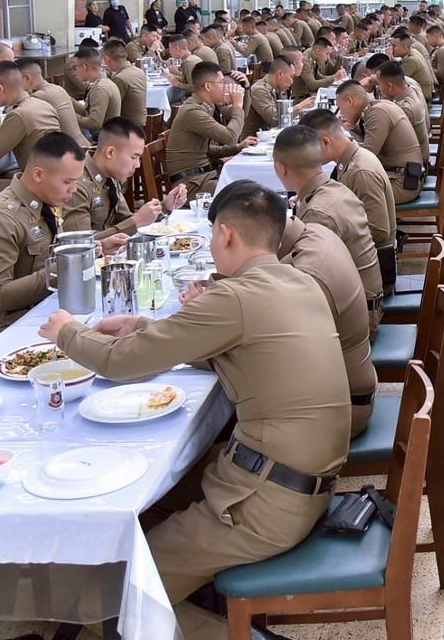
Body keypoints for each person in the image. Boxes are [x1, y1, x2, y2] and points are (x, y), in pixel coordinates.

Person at [39, 180, 349, 640]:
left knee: (112, 595)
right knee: (152, 498)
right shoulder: (297, 281)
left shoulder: (235, 297)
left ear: (224, 233)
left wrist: (66, 331)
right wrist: (142, 326)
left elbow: (120, 364)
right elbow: (225, 344)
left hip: (265, 503)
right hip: (299, 482)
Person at [0, 133, 126, 333]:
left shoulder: (46, 198)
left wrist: (92, 248)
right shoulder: (0, 218)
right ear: (38, 175)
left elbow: (52, 251)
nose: (74, 189)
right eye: (67, 182)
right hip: (16, 323)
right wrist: (65, 268)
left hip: (54, 305)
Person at [277, 207, 378, 437]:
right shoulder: (316, 231)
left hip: (341, 413)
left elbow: (268, 351)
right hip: (354, 388)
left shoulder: (305, 274)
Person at [274, 123, 384, 328]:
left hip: (357, 320)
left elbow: (306, 280)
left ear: (281, 168)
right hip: (365, 303)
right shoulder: (336, 189)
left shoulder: (318, 212)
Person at [64, 117, 187, 239]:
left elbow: (124, 220)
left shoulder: (111, 175)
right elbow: (81, 244)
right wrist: (137, 221)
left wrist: (164, 206)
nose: (138, 165)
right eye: (133, 157)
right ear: (110, 152)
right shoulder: (76, 185)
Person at [335, 79, 426, 206]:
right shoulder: (378, 106)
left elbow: (367, 155)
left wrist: (339, 150)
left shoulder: (377, 112)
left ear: (350, 101)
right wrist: (354, 129)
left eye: (340, 108)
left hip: (402, 184)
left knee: (343, 196)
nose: (341, 113)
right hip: (402, 177)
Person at [165, 61, 249, 195]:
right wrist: (237, 105)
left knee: (247, 179)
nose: (225, 87)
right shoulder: (193, 111)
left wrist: (246, 89)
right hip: (189, 184)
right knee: (243, 192)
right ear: (208, 86)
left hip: (203, 175)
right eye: (222, 83)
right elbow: (231, 137)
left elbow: (240, 116)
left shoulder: (207, 105)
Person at [15, 56, 83, 141]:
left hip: (67, 147)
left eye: (16, 80)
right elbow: (82, 110)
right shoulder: (58, 88)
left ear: (27, 78)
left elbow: (18, 122)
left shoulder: (37, 98)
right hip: (82, 142)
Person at [69, 46, 121, 139]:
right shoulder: (105, 82)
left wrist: (69, 116)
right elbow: (88, 111)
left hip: (102, 139)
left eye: (76, 67)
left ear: (84, 67)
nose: (76, 70)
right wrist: (68, 100)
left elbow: (94, 123)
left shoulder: (99, 88)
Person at [101, 38, 151, 128]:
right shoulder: (138, 71)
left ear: (106, 58)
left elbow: (110, 106)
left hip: (126, 127)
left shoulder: (120, 79)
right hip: (141, 123)